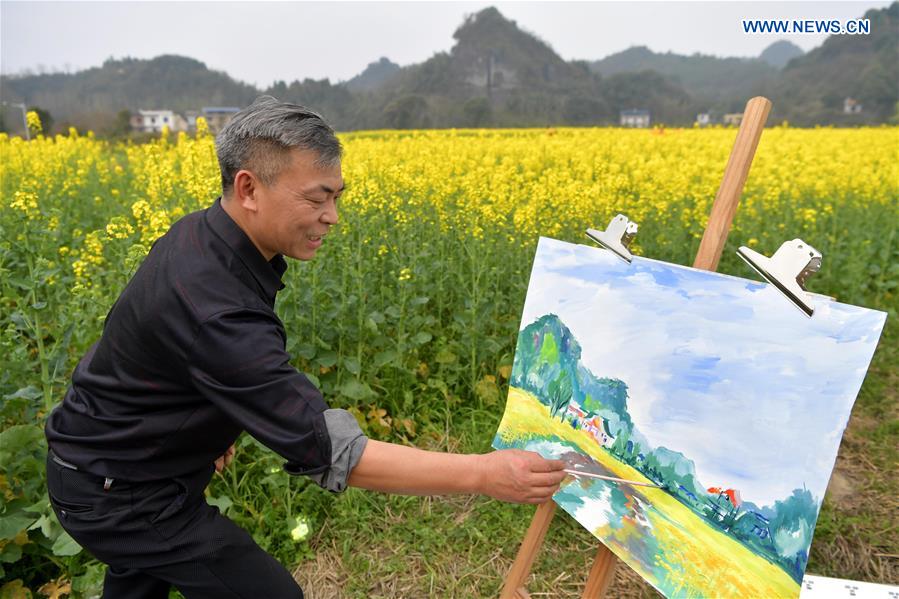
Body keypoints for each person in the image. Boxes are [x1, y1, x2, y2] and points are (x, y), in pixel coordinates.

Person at [44, 96, 567, 599]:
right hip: (125, 496)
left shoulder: (199, 237)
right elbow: (330, 450)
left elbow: (137, 345)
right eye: (316, 199)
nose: (332, 216)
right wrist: (484, 473)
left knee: (139, 583)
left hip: (110, 466)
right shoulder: (215, 306)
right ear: (248, 188)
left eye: (336, 196)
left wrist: (205, 420)